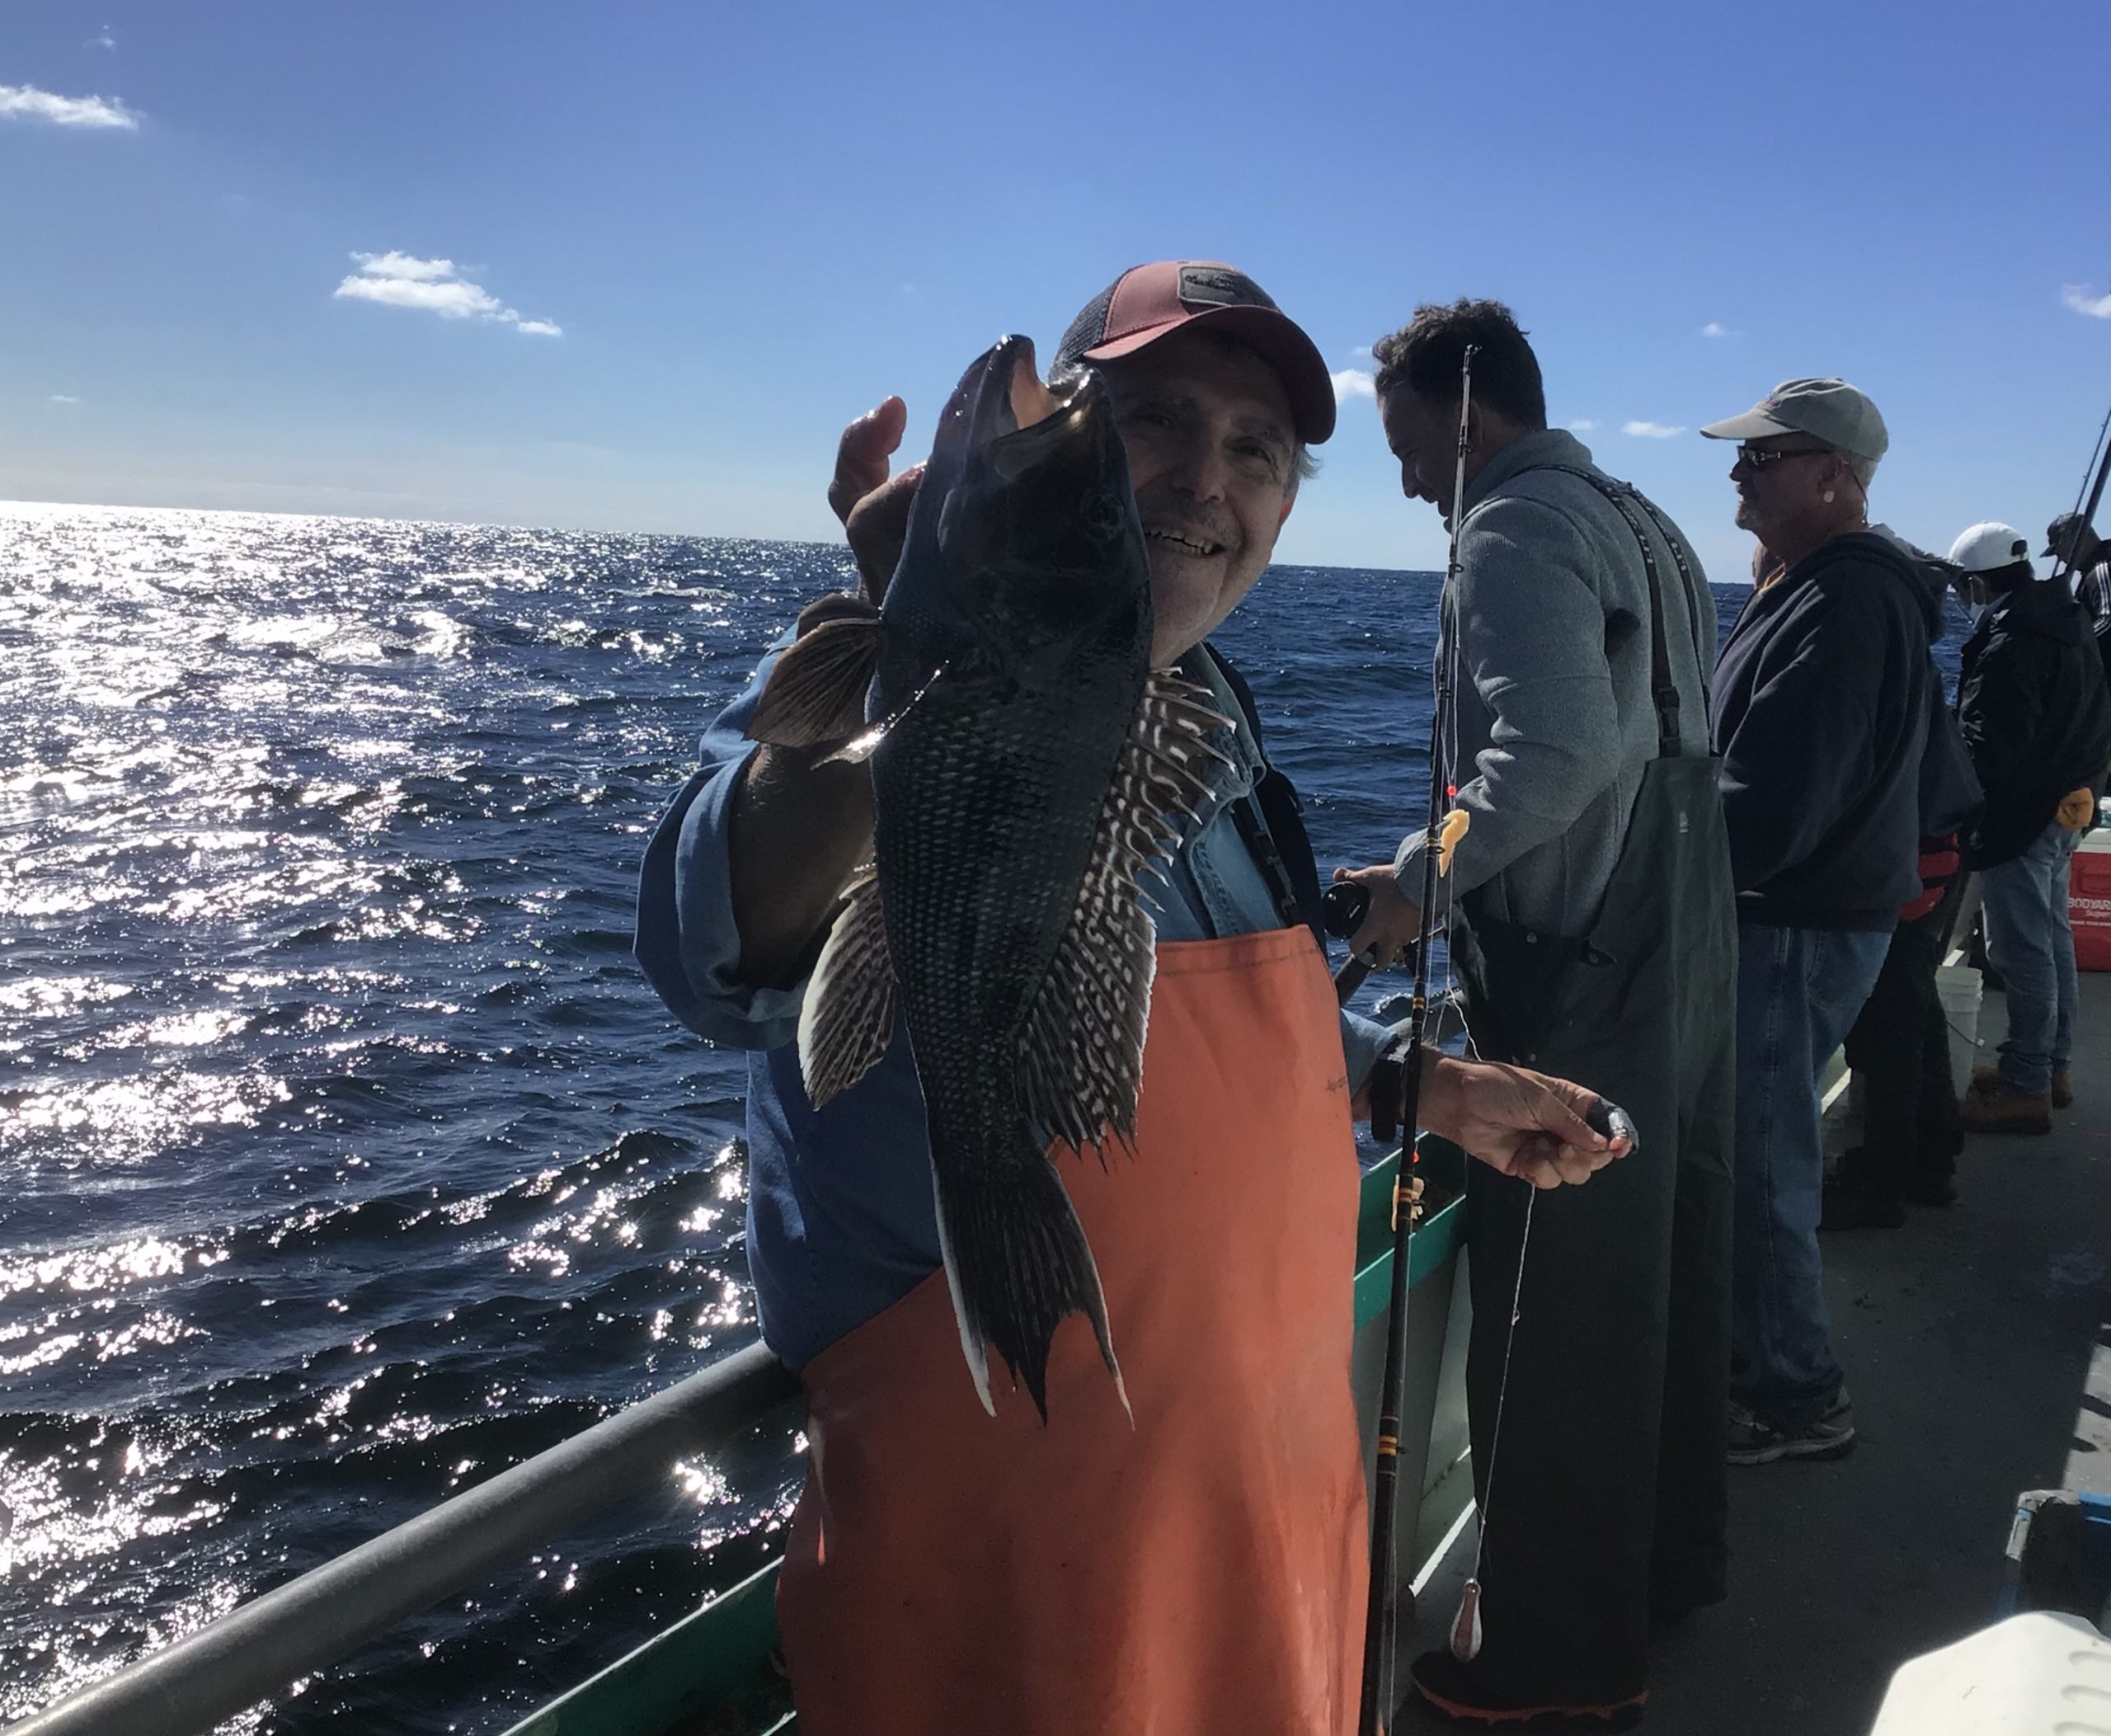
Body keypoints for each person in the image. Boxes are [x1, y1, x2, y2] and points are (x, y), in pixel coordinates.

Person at [633, 261, 1628, 1736]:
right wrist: (912, 651)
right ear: (1079, 445)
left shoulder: (1217, 725)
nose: (1204, 480)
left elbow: (1218, 1009)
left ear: (1287, 509)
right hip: (1005, 1558)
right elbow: (708, 942)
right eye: (1155, 419)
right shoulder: (854, 676)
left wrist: (1420, 1083)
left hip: (1273, 1521)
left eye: (1256, 452)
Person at [1335, 298, 1733, 1732]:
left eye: (1400, 446)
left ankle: (1557, 1662)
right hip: (1684, 937)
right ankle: (1668, 1567)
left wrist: (1412, 886)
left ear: (1459, 415)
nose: (1402, 482)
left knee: (1554, 1307)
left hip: (1578, 960)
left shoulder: (1507, 529)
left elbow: (1551, 750)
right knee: (1665, 1261)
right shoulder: (1644, 521)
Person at [1702, 377, 1935, 1466]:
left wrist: (1661, 873)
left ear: (1836, 477)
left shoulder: (1845, 599)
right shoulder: (1816, 585)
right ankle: (1774, 1369)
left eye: (1767, 455)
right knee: (1765, 1152)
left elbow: (1782, 802)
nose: (1741, 471)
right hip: (1810, 915)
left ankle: (1797, 1396)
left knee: (1761, 1162)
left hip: (1792, 924)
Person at [1949, 520, 2111, 1133]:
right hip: (2069, 804)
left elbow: (1990, 750)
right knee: (2052, 935)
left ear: (1980, 581)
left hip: (2023, 817)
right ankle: (2051, 1068)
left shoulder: (2012, 640)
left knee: (2020, 950)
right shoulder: (2068, 623)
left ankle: (2024, 1087)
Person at [2044, 510, 2111, 691]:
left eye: (2060, 548)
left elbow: (2108, 619)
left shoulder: (2101, 570)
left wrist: (2070, 646)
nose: (2060, 557)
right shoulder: (2094, 569)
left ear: (2083, 536)